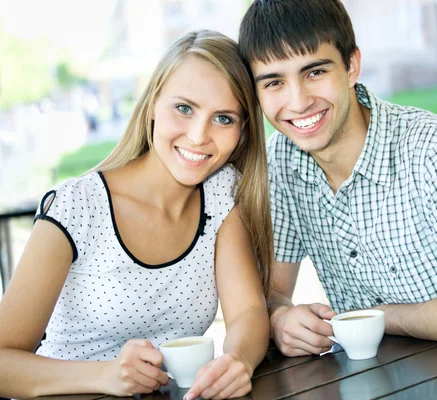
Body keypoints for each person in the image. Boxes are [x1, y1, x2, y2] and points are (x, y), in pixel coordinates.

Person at [238, 0, 437, 358]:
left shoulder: (432, 147)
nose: (298, 102)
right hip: (372, 381)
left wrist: (376, 318)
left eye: (315, 73)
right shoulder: (280, 160)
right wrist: (280, 319)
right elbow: (273, 294)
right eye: (274, 82)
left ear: (352, 66)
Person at [0, 30, 272, 400]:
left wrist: (238, 360)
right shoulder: (75, 207)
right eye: (184, 108)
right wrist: (105, 377)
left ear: (242, 132)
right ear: (153, 104)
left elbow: (248, 313)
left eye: (223, 119)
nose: (198, 136)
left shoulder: (222, 192)